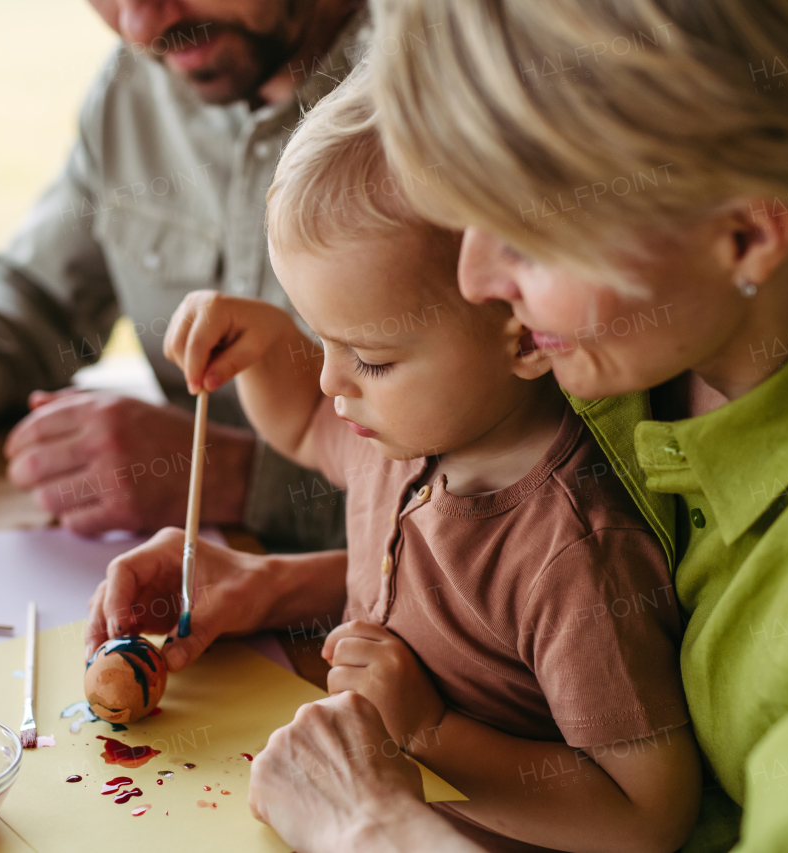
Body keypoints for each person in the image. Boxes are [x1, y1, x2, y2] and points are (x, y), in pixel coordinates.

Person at [241, 1, 788, 851]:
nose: (476, 277)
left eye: (524, 234)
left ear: (746, 234)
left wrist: (370, 828)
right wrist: (276, 587)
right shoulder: (656, 317)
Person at [93, 66, 701, 852]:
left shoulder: (571, 555)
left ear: (524, 333)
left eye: (369, 356)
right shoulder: (405, 432)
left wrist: (432, 729)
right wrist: (262, 341)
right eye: (320, 340)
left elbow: (647, 815)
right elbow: (309, 426)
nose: (328, 379)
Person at [0, 0, 372, 550]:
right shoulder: (139, 84)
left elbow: (464, 508)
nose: (139, 29)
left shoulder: (442, 92)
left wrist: (240, 480)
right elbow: (41, 296)